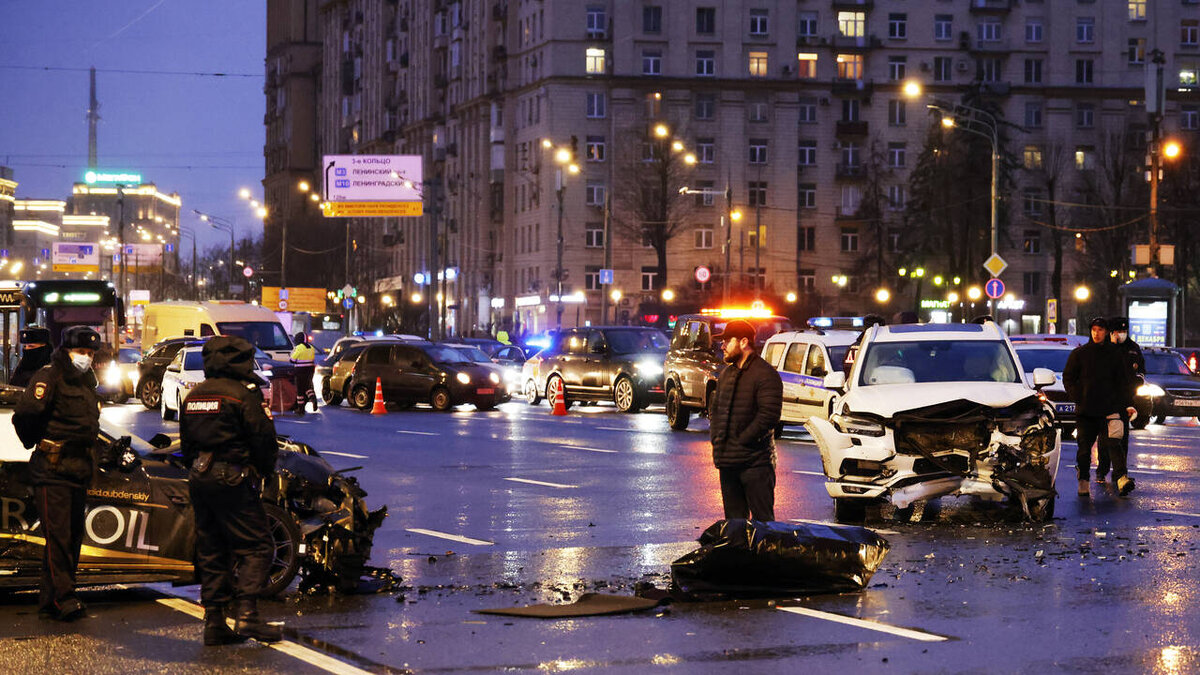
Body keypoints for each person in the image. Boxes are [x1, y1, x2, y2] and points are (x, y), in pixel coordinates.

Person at [179, 336, 282, 645]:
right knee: (258, 546)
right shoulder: (242, 395)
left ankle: (214, 621)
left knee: (212, 549)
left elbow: (186, 446)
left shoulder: (194, 395)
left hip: (200, 477)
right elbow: (263, 440)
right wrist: (264, 471)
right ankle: (248, 615)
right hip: (233, 477)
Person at [11, 326, 102, 621]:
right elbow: (25, 415)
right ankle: (65, 597)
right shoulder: (49, 376)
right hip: (52, 469)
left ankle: (49, 600)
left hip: (78, 469)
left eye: (90, 353)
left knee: (71, 537)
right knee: (59, 537)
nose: (85, 358)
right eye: (81, 352)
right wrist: (37, 442)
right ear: (66, 351)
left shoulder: (87, 381)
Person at [709, 319, 783, 522]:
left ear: (743, 342)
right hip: (728, 463)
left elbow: (769, 416)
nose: (722, 346)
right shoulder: (726, 374)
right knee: (734, 527)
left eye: (726, 341)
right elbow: (716, 411)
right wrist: (716, 440)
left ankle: (760, 557)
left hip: (755, 464)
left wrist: (742, 440)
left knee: (763, 527)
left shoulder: (765, 374)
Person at [1063, 317, 1137, 498]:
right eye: (1094, 329)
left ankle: (1121, 479)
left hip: (1109, 409)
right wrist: (1077, 396)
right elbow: (1068, 378)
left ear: (1106, 332)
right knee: (1084, 449)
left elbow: (1122, 382)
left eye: (1101, 330)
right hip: (1086, 411)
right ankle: (1084, 480)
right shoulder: (1080, 354)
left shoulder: (1114, 354)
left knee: (1114, 444)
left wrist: (1126, 404)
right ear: (1090, 331)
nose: (1097, 333)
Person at [1098, 316, 1144, 483]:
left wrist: (1137, 384)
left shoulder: (1133, 348)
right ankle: (1102, 471)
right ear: (1111, 332)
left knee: (1122, 438)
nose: (1121, 334)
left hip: (1126, 399)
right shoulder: (1105, 348)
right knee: (1106, 439)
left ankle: (1120, 474)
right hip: (1107, 400)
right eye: (1118, 331)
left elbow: (1140, 371)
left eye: (1124, 331)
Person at [289, 332, 318, 415]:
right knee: (308, 386)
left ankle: (301, 409)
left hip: (300, 370)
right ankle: (313, 398)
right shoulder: (311, 347)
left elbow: (292, 360)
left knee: (300, 390)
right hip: (310, 370)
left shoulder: (298, 347)